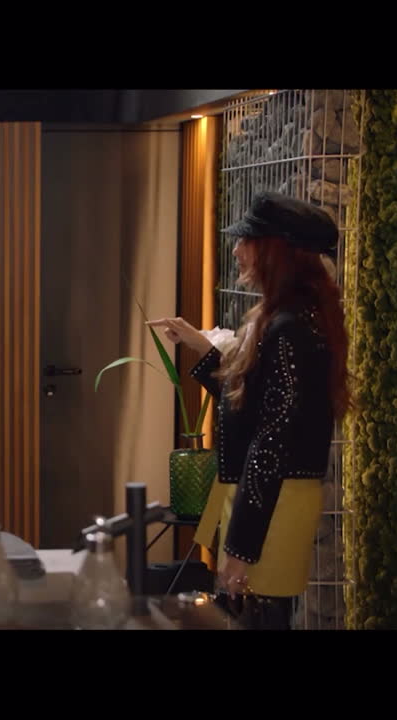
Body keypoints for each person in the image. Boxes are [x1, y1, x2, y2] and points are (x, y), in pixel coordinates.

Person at [149, 191, 349, 630]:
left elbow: (271, 444)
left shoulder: (289, 327)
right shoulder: (295, 318)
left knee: (259, 617)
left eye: (247, 241)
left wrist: (242, 550)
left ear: (276, 250)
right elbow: (253, 405)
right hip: (271, 501)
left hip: (271, 507)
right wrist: (202, 347)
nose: (237, 250)